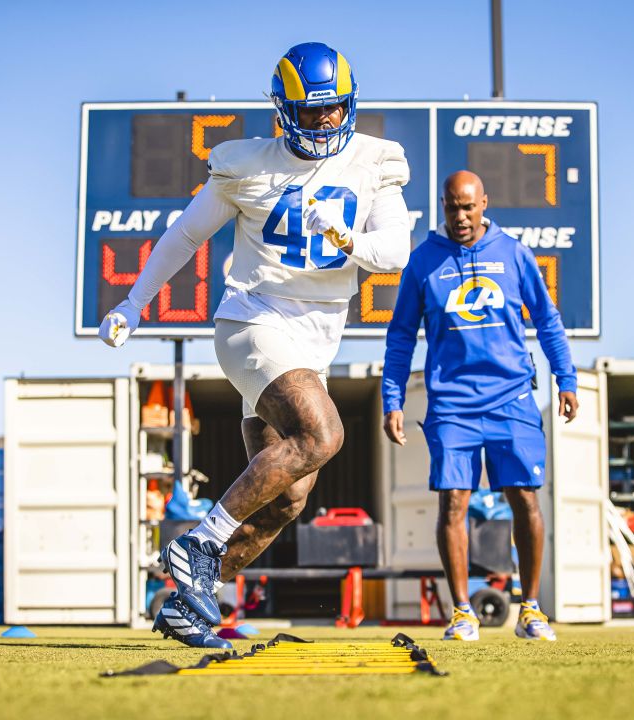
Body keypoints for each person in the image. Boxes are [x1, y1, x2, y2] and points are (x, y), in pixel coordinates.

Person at [98, 42, 411, 648]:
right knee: (323, 435)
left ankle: (190, 602)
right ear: (283, 109)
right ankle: (198, 544)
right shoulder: (247, 164)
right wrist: (133, 303)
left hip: (312, 343)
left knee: (290, 495)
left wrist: (346, 238)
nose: (324, 121)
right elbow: (185, 235)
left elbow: (393, 253)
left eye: (333, 109)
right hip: (253, 322)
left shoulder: (375, 161)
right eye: (311, 110)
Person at [382, 170, 578, 642]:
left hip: (513, 397)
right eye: (452, 207)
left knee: (525, 499)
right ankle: (463, 613)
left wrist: (565, 377)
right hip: (452, 403)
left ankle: (531, 609)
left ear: (484, 203)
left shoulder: (514, 254)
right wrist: (391, 398)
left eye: (469, 206)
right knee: (453, 504)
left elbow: (548, 320)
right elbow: (401, 334)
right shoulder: (423, 262)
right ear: (443, 207)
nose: (461, 216)